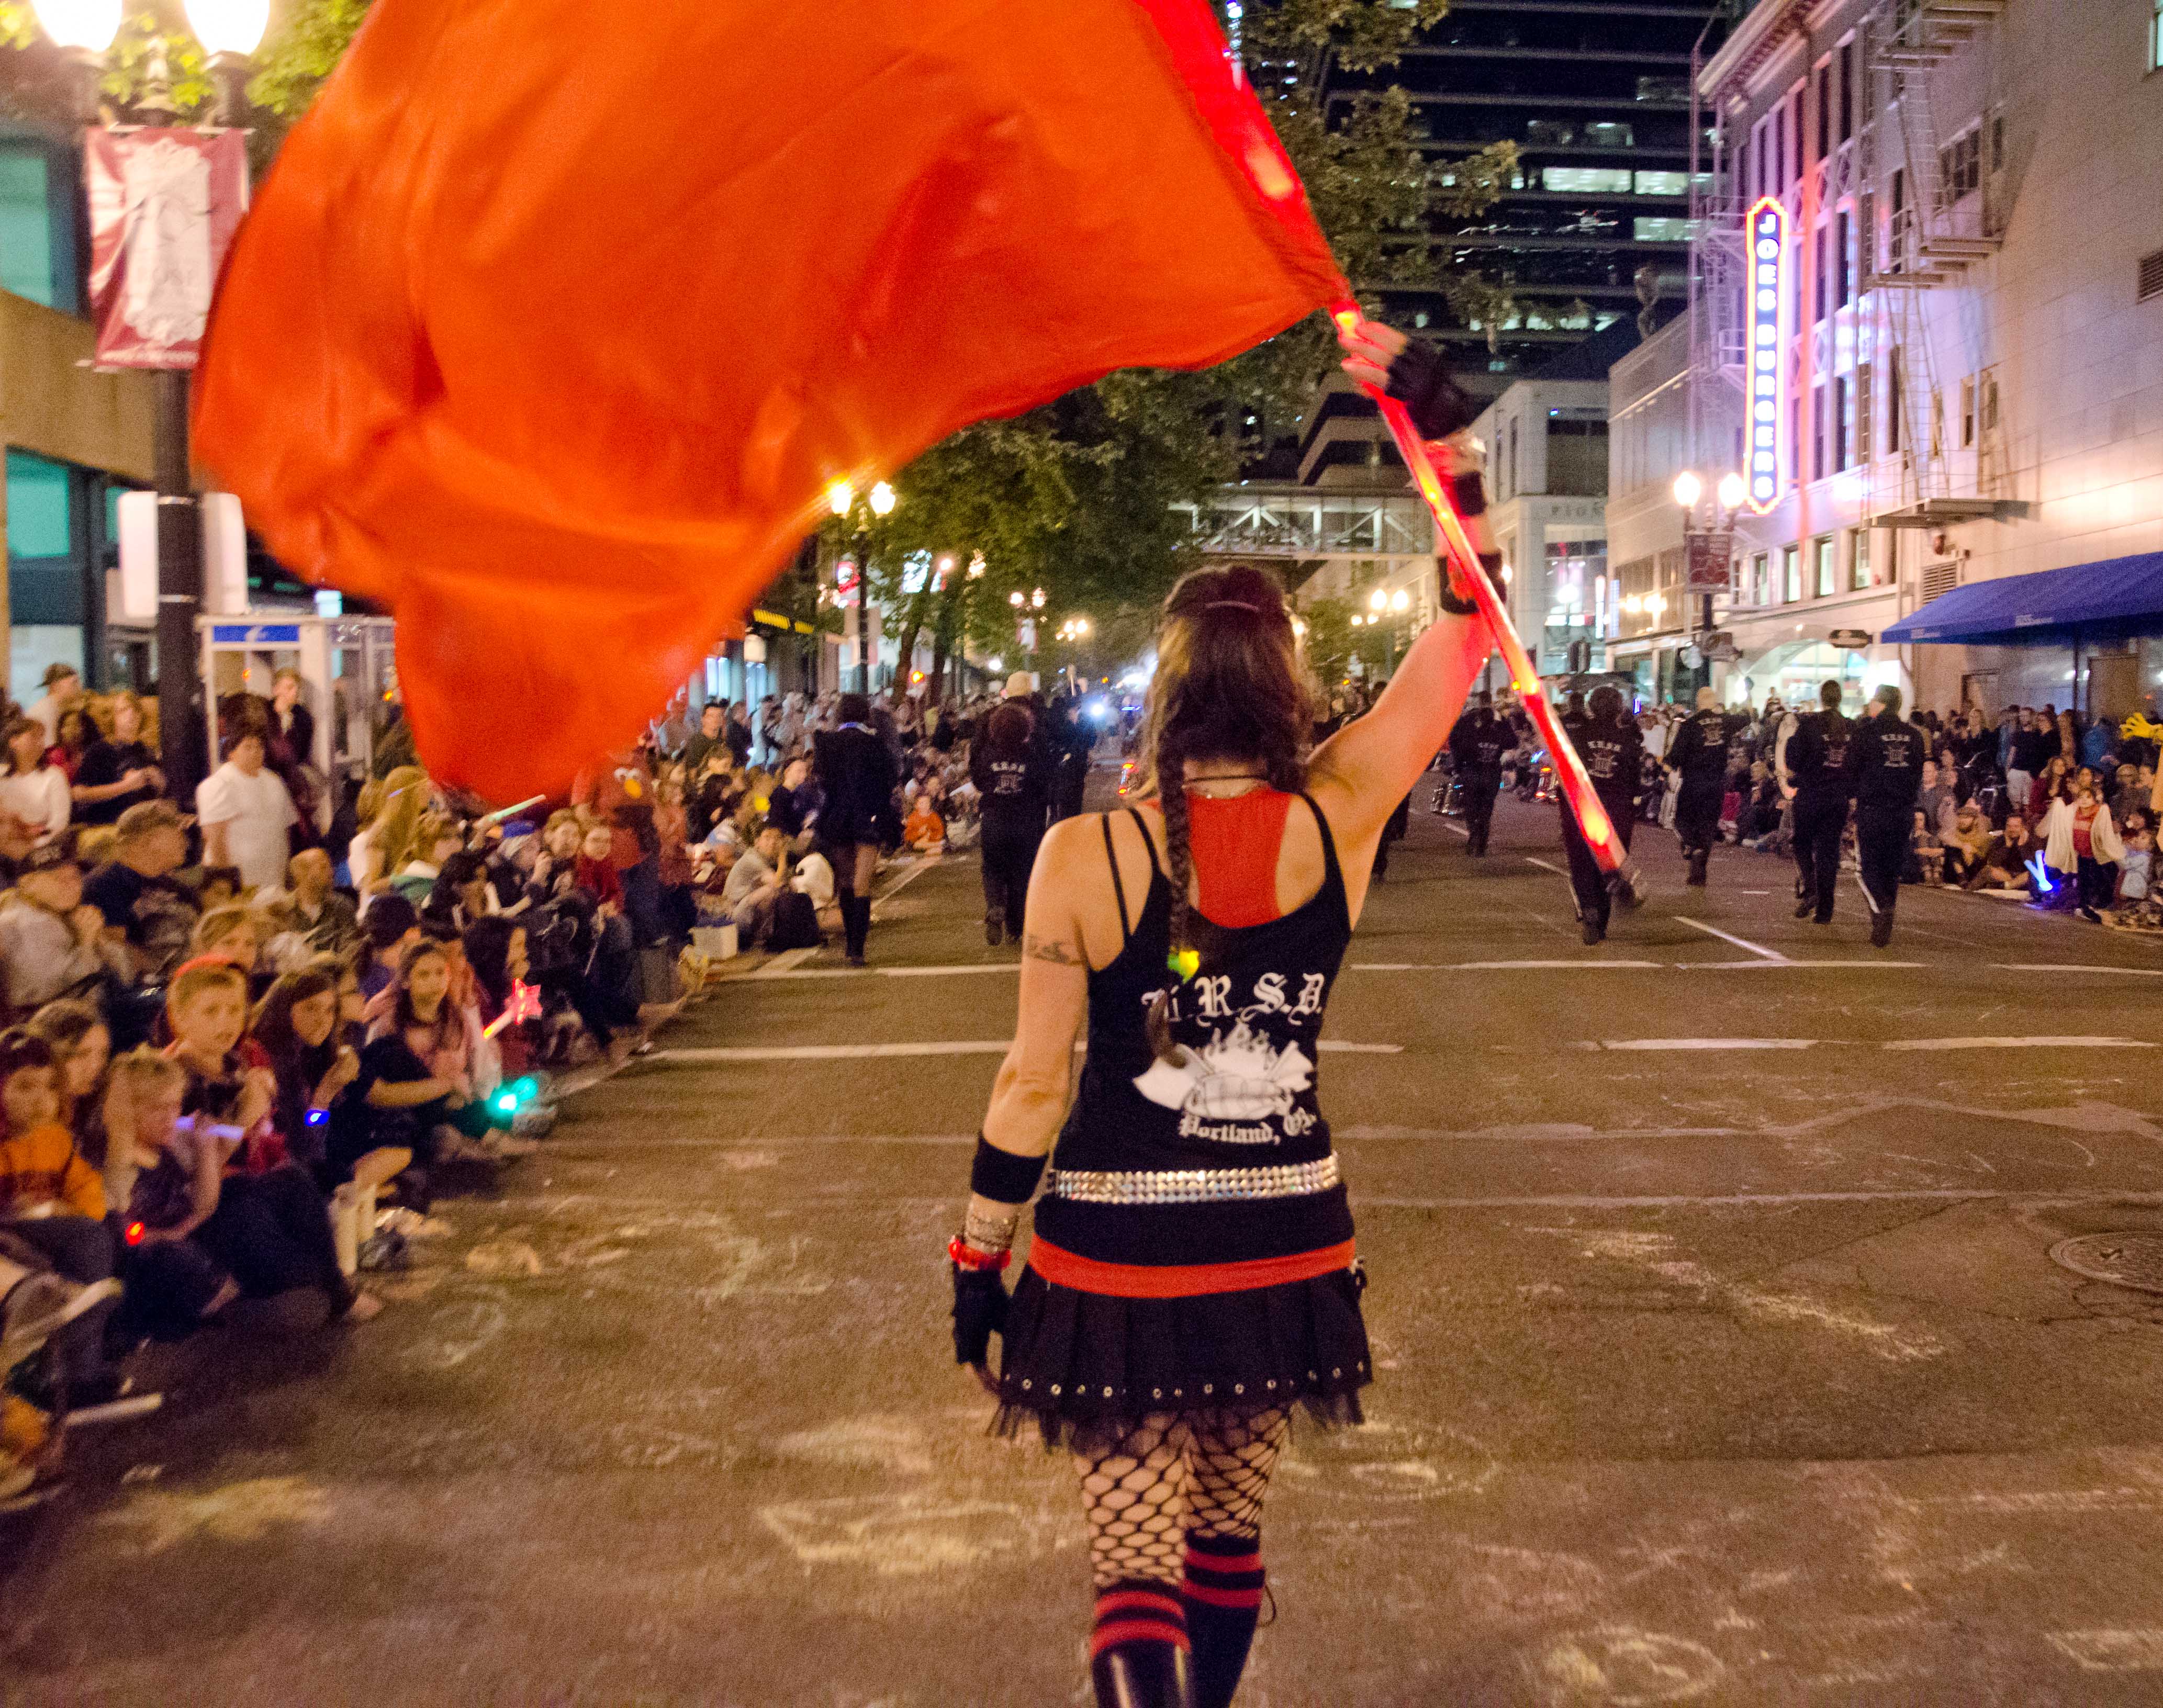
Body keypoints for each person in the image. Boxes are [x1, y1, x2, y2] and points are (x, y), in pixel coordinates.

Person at [950, 318, 1495, 1708]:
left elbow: (1030, 1087)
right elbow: (1462, 636)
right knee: (1224, 1542)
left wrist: (975, 1257)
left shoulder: (1083, 855)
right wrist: (1449, 449)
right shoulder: (1343, 810)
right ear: (1285, 681)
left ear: (1168, 685)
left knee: (1131, 1568)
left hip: (1117, 1254)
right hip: (1280, 1240)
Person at [163, 957, 378, 1321]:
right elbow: (197, 1165)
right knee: (276, 1217)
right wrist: (251, 1118)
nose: (323, 1020)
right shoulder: (184, 1076)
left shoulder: (248, 1062)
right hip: (201, 1197)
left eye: (234, 1011)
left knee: (301, 1180)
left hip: (258, 1174)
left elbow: (306, 1135)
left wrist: (324, 1098)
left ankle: (332, 1285)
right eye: (310, 1009)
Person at [0, 1029, 134, 1409]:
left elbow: (85, 1186)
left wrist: (74, 1210)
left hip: (51, 1227)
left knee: (110, 1229)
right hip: (10, 1235)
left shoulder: (54, 1138)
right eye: (25, 1087)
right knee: (86, 1239)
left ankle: (83, 1355)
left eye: (50, 1087)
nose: (41, 1100)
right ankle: (66, 1372)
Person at [813, 692, 898, 967]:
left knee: (846, 880)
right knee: (863, 882)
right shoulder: (874, 744)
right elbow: (889, 781)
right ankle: (858, 948)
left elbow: (822, 782)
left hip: (838, 816)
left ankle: (850, 943)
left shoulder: (827, 743)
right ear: (865, 714)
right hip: (867, 816)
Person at [0, 840, 127, 1019]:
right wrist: (87, 943)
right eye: (57, 878)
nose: (71, 885)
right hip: (49, 1025)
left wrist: (98, 940)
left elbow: (126, 974)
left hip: (93, 1015)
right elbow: (59, 992)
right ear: (28, 885)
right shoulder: (23, 923)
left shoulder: (65, 914)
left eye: (75, 876)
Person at [1558, 686, 1642, 945]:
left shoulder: (1578, 736)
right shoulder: (1627, 739)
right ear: (1618, 709)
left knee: (1581, 863)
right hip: (1616, 811)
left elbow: (1566, 774)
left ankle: (1590, 910)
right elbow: (1634, 779)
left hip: (1584, 808)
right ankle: (1602, 916)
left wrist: (1566, 808)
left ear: (1591, 707)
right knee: (1608, 864)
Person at [82, 800, 199, 985]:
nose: (186, 842)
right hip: (150, 988)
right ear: (148, 839)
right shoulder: (107, 883)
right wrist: (172, 976)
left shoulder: (178, 887)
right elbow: (116, 952)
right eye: (177, 832)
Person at [1846, 685, 1924, 947]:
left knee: (1867, 869)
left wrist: (1855, 796)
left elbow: (1851, 770)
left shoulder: (1865, 733)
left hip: (1873, 809)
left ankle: (1882, 910)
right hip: (1902, 811)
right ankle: (1884, 920)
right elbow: (1917, 774)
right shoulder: (1915, 736)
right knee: (1891, 869)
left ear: (1880, 704)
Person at [973, 699, 1054, 946]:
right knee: (1021, 873)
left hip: (994, 820)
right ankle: (1015, 927)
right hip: (1025, 822)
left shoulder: (987, 755)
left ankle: (995, 904)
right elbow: (1044, 783)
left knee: (992, 869)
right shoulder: (1032, 756)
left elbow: (978, 781)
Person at [1784, 680, 1855, 927]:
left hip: (1811, 796)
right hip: (1837, 798)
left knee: (1801, 844)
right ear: (1840, 699)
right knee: (1829, 853)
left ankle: (1810, 886)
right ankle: (1825, 910)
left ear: (1822, 698)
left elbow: (1793, 759)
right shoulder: (1851, 727)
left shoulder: (1810, 725)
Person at [197, 730, 301, 894]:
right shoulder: (218, 784)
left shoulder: (274, 781)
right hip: (240, 884)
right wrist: (227, 886)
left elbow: (285, 829)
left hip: (274, 879)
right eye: (248, 747)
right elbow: (215, 839)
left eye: (259, 747)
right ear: (232, 753)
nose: (255, 752)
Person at [1665, 687, 1740, 887]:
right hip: (1716, 784)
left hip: (1693, 782)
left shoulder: (1690, 725)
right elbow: (1745, 719)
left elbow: (1676, 756)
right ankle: (1699, 872)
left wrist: (1667, 767)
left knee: (1682, 820)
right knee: (1708, 826)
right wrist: (1724, 713)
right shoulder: (1725, 722)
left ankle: (1690, 844)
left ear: (1698, 703)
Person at [2041, 768, 2125, 923]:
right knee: (2083, 882)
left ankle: (2097, 905)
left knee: (2097, 881)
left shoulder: (2099, 812)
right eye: (2082, 797)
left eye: (2088, 797)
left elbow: (2104, 830)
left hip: (2096, 856)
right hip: (2082, 855)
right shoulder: (2074, 812)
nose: (2085, 800)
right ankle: (2085, 906)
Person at [72, 691, 163, 826]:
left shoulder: (146, 751)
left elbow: (157, 795)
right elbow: (79, 794)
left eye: (135, 710)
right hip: (108, 825)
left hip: (142, 825)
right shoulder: (100, 750)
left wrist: (160, 782)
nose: (131, 714)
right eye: (124, 710)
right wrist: (126, 786)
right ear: (113, 717)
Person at [1444, 694, 1508, 855]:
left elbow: (1454, 741)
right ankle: (1482, 842)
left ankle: (1474, 833)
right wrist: (1497, 747)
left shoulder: (1468, 719)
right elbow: (1512, 741)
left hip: (1472, 769)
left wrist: (1457, 766)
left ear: (1478, 702)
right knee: (1487, 807)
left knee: (1471, 806)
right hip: (1492, 770)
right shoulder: (1500, 720)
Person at [0, 716, 71, 855]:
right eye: (33, 737)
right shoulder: (3, 778)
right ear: (14, 742)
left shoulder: (54, 776)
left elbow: (59, 823)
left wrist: (32, 846)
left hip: (42, 847)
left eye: (42, 737)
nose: (40, 743)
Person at [723, 822, 792, 948]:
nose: (773, 842)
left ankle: (766, 934)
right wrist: (783, 857)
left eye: (777, 838)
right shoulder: (752, 860)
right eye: (767, 838)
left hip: (741, 911)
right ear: (757, 842)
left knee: (782, 889)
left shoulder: (762, 858)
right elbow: (777, 884)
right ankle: (761, 935)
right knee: (772, 891)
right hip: (733, 919)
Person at [282, 848, 360, 957]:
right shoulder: (284, 910)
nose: (331, 872)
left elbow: (351, 950)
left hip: (334, 966)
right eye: (323, 867)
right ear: (302, 874)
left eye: (330, 867)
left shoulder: (342, 906)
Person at [25, 664, 80, 748]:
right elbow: (50, 749)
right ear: (55, 685)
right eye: (74, 683)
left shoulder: (60, 708)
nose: (79, 687)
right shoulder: (45, 710)